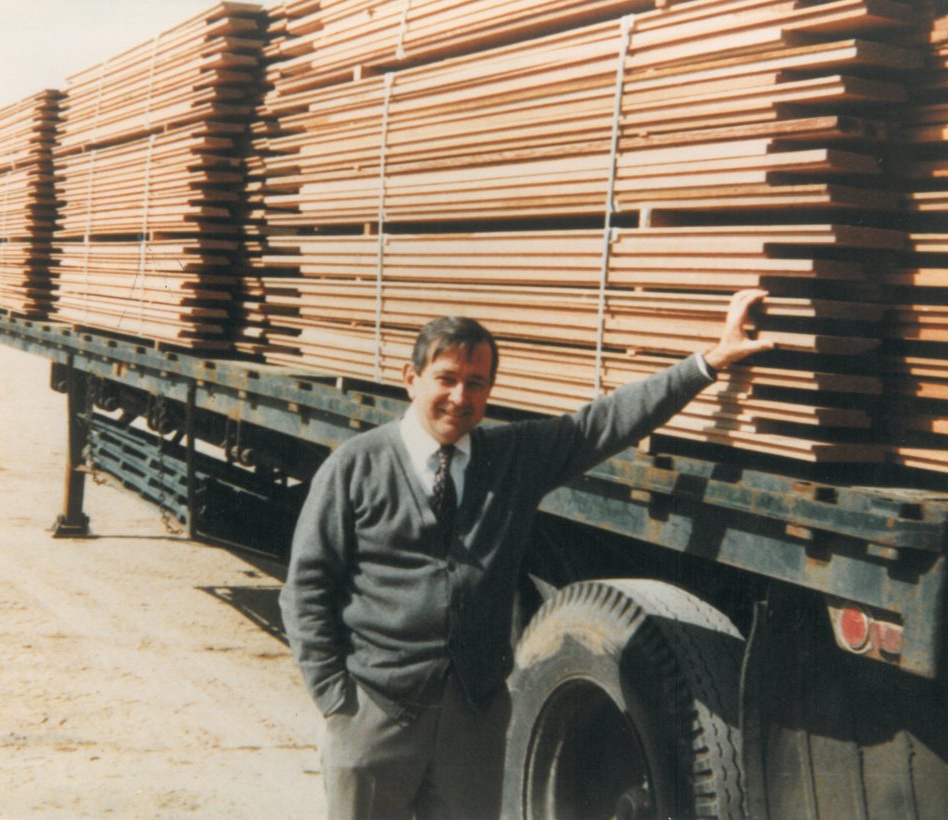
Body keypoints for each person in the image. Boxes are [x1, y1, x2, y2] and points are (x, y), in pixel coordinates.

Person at [279, 289, 773, 820]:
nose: (459, 397)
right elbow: (306, 587)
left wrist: (707, 363)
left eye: (476, 383)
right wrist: (337, 700)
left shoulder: (512, 458)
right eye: (445, 378)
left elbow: (602, 423)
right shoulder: (356, 466)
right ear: (410, 378)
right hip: (375, 710)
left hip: (473, 716)